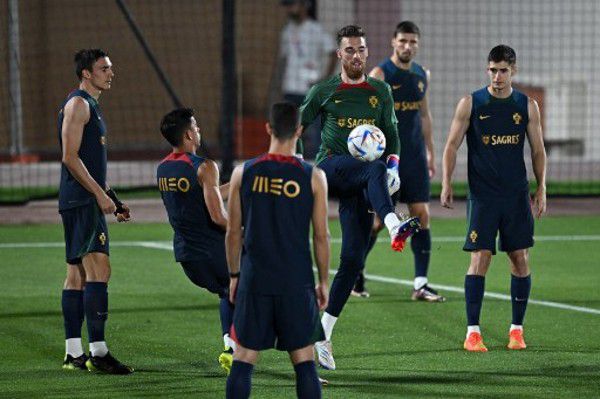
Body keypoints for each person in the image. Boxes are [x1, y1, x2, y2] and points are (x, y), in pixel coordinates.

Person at [299, 25, 420, 371]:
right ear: (339, 54)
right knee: (373, 169)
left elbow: (393, 132)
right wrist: (295, 160)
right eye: (349, 50)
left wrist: (394, 165)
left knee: (352, 259)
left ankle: (322, 333)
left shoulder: (380, 90)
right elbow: (296, 124)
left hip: (361, 180)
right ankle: (395, 223)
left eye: (361, 49)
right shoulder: (324, 90)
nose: (356, 55)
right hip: (330, 169)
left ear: (368, 53)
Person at [441, 45, 547, 352]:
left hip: (516, 196)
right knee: (480, 258)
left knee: (520, 258)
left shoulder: (527, 106)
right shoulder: (470, 103)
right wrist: (447, 183)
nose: (497, 76)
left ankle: (517, 330)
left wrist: (541, 188)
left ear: (513, 71)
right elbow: (451, 145)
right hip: (483, 197)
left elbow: (538, 150)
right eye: (492, 70)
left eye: (502, 70)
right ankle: (472, 332)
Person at [225, 102, 330, 398]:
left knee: (243, 357)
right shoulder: (313, 176)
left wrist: (234, 275)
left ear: (268, 128)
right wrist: (323, 281)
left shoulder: (243, 172)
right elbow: (321, 236)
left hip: (255, 279)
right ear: (299, 131)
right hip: (296, 282)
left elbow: (233, 232)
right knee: (305, 361)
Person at [356, 21, 445, 302]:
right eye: (403, 41)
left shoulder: (421, 75)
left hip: (415, 158)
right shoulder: (380, 74)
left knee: (421, 216)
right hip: (387, 160)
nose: (408, 46)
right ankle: (356, 273)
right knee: (379, 222)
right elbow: (366, 120)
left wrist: (430, 151)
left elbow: (425, 116)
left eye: (413, 42)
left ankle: (421, 283)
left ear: (418, 44)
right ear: (393, 42)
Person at [59, 49, 133, 374]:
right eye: (104, 68)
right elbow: (69, 157)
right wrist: (99, 194)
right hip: (82, 201)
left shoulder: (91, 107)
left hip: (80, 199)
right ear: (86, 74)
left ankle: (73, 353)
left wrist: (112, 198)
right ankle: (98, 352)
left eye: (110, 68)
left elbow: (88, 164)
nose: (110, 73)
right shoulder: (79, 105)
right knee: (99, 272)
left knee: (77, 275)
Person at [156, 108, 236, 373]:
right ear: (189, 134)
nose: (199, 130)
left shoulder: (163, 168)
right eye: (197, 126)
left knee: (228, 291)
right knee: (254, 284)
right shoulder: (204, 166)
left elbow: (202, 196)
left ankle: (230, 347)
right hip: (213, 251)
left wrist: (236, 184)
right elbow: (217, 215)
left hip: (187, 256)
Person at [272, 0, 337, 158]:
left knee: (314, 131)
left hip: (310, 89)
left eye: (291, 5)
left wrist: (324, 80)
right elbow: (284, 59)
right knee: (288, 130)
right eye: (287, 6)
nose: (288, 9)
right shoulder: (287, 30)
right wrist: (279, 86)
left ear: (303, 5)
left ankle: (314, 167)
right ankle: (291, 161)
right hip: (290, 89)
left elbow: (333, 52)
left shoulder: (315, 29)